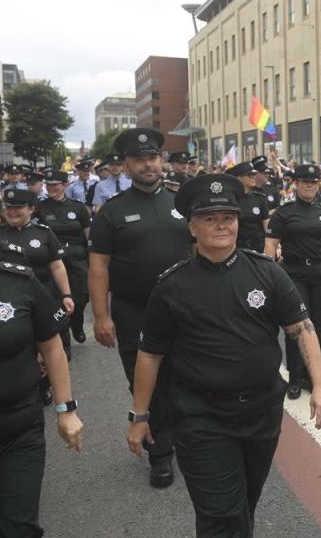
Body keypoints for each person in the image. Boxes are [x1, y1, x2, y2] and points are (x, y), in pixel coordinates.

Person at [126, 173, 321, 537]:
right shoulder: (172, 286)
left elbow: (302, 328)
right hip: (201, 415)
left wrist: (320, 386)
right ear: (192, 227)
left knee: (244, 505)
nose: (221, 226)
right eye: (209, 219)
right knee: (220, 513)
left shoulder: (267, 273)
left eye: (228, 218)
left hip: (261, 411)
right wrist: (140, 415)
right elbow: (150, 355)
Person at [89, 127, 192, 488]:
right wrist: (101, 316)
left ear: (161, 160)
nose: (147, 164)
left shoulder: (184, 203)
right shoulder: (111, 212)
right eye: (139, 159)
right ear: (127, 165)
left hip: (184, 309)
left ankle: (187, 438)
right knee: (145, 381)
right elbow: (99, 266)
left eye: (153, 157)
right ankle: (160, 453)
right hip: (134, 311)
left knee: (186, 375)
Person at [0, 194, 84, 537]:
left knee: (16, 527)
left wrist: (66, 410)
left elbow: (51, 345)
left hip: (16, 430)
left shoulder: (17, 281)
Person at [265, 164, 321, 399]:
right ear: (296, 184)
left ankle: (312, 375)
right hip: (294, 274)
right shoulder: (284, 213)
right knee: (298, 326)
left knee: (318, 325)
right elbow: (271, 244)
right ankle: (294, 376)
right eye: (304, 182)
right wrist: (267, 270)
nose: (309, 186)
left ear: (318, 185)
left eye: (313, 182)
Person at [0, 188, 75, 358]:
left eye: (18, 207)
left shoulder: (43, 232)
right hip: (8, 297)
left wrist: (66, 294)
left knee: (54, 336)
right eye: (8, 207)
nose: (12, 212)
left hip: (44, 293)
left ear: (31, 209)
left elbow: (57, 266)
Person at [36, 170, 91, 346]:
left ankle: (77, 323)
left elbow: (88, 234)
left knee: (81, 297)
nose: (51, 188)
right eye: (48, 185)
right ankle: (62, 332)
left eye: (55, 184)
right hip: (52, 258)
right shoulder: (40, 207)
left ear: (65, 185)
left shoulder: (78, 207)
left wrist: (92, 257)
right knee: (57, 297)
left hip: (76, 256)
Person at [226, 161, 270, 252]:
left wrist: (272, 246)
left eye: (254, 174)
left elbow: (266, 225)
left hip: (258, 247)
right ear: (239, 177)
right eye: (250, 175)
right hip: (237, 248)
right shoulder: (230, 200)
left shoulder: (260, 198)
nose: (254, 177)